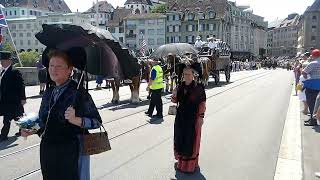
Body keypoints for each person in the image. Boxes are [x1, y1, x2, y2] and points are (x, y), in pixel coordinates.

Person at [21, 49, 102, 180]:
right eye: (51, 66)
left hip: (72, 150)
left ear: (70, 70)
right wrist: (30, 129)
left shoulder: (79, 93)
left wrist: (76, 120)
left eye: (59, 66)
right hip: (49, 149)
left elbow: (97, 122)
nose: (53, 69)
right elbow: (43, 120)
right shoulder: (49, 92)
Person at [171, 66, 206, 173]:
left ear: (193, 75)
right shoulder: (180, 87)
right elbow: (174, 101)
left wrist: (200, 117)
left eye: (188, 74)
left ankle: (191, 166)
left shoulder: (198, 88)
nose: (186, 76)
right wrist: (174, 93)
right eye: (184, 74)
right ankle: (181, 164)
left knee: (192, 142)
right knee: (180, 140)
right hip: (181, 118)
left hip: (193, 119)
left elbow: (202, 104)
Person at [0, 51, 26, 141]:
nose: (1, 62)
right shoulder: (2, 72)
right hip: (6, 101)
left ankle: (3, 135)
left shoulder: (15, 72)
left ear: (9, 61)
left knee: (14, 118)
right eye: (1, 61)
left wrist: (23, 98)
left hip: (14, 100)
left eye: (3, 61)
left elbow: (21, 86)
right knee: (11, 118)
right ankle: (5, 134)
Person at [302, 49, 320, 126]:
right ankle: (314, 118)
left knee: (312, 102)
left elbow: (304, 72)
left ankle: (313, 121)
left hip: (313, 86)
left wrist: (307, 77)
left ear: (313, 55)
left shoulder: (313, 63)